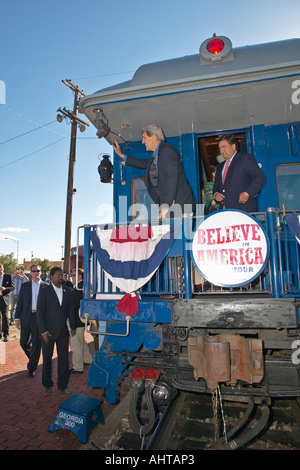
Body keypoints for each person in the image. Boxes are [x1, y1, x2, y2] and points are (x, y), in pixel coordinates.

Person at [113, 124, 196, 219]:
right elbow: (142, 163)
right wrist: (121, 154)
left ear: (153, 137)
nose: (143, 142)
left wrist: (165, 207)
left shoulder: (167, 151)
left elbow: (171, 178)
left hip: (181, 206)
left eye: (144, 138)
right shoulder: (156, 156)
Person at [37, 266, 77, 396]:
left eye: (62, 275)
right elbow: (40, 313)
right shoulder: (44, 291)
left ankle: (62, 386)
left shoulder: (67, 291)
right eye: (58, 275)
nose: (61, 277)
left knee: (64, 360)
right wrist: (43, 331)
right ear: (51, 276)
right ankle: (47, 385)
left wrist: (73, 327)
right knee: (47, 359)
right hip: (48, 333)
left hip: (63, 332)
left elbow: (71, 310)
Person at [213, 135, 266, 212]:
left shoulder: (245, 159)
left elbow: (260, 178)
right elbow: (216, 186)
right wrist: (216, 194)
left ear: (233, 146)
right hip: (225, 213)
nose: (222, 150)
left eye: (224, 147)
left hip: (243, 212)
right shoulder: (219, 167)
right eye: (220, 148)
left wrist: (247, 193)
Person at [15, 265, 47, 377]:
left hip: (39, 318)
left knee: (36, 344)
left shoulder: (46, 286)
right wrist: (17, 318)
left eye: (38, 271)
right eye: (34, 271)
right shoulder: (25, 286)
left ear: (41, 272)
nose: (36, 273)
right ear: (31, 273)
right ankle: (33, 358)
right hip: (26, 317)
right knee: (23, 342)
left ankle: (32, 368)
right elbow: (19, 303)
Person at [69, 268, 92, 373]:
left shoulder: (79, 288)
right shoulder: (83, 287)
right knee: (81, 341)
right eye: (72, 275)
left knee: (75, 344)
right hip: (81, 320)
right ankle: (87, 359)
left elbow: (73, 306)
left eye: (73, 275)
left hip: (76, 320)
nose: (72, 277)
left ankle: (77, 367)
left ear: (80, 276)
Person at [0, 264, 15, 341]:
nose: (0, 270)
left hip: (4, 299)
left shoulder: (8, 276)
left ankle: (6, 334)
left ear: (3, 269)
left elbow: (13, 287)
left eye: (1, 268)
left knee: (5, 316)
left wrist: (5, 289)